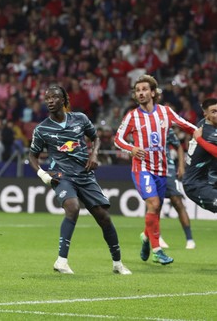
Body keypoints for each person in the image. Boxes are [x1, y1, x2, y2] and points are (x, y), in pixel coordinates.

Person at [28, 85, 131, 276]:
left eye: (54, 97)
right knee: (72, 207)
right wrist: (42, 174)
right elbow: (32, 155)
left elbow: (96, 138)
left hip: (85, 175)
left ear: (64, 100)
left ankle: (118, 263)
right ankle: (62, 261)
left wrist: (94, 155)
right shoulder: (42, 129)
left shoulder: (80, 119)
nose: (50, 101)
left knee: (103, 217)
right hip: (62, 176)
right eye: (47, 98)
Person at [114, 74, 196, 265]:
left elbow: (187, 125)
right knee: (153, 203)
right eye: (138, 90)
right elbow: (118, 139)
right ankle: (157, 250)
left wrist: (203, 133)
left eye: (144, 89)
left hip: (162, 169)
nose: (141, 93)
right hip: (142, 168)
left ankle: (145, 237)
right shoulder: (132, 116)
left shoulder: (165, 112)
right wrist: (131, 148)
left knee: (156, 208)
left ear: (152, 92)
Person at [159, 127, 196, 249]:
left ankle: (190, 239)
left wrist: (181, 166)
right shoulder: (142, 125)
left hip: (168, 169)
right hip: (151, 169)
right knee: (155, 204)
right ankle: (157, 237)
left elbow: (178, 146)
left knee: (178, 202)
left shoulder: (165, 128)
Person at [183, 97, 217, 213]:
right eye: (214, 112)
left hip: (208, 179)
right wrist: (199, 140)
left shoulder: (204, 124)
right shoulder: (208, 133)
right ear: (205, 114)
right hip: (195, 185)